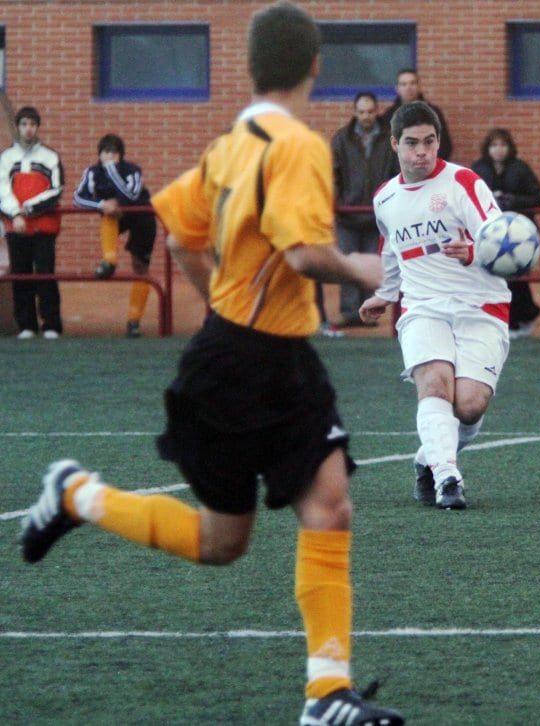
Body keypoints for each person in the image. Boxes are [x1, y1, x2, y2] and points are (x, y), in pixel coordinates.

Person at [20, 3, 403, 725]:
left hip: (270, 358)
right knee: (219, 542)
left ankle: (326, 693)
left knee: (330, 507)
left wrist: (222, 306)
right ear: (316, 67)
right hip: (240, 366)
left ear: (249, 66)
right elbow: (300, 254)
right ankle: (78, 496)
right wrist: (362, 267)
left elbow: (177, 239)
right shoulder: (294, 145)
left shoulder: (235, 142)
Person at [360, 101, 510, 511]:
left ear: (438, 141)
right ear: (395, 144)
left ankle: (428, 457)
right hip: (422, 306)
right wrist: (386, 294)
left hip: (481, 306)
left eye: (429, 142)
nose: (421, 152)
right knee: (434, 385)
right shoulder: (385, 199)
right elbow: (391, 250)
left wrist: (474, 251)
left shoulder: (464, 182)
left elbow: (503, 241)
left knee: (469, 405)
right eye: (411, 143)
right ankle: (447, 478)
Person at [73, 134, 157, 338]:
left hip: (142, 217)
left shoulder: (133, 170)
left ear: (121, 155)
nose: (110, 156)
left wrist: (112, 172)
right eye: (105, 152)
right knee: (107, 215)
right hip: (114, 216)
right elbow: (78, 198)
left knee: (141, 268)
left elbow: (132, 196)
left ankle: (134, 321)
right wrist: (102, 204)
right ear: (99, 154)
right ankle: (109, 261)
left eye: (114, 153)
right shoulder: (92, 172)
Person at [471, 128, 540, 339]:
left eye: (503, 145)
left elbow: (539, 196)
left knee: (516, 279)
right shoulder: (478, 168)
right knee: (493, 279)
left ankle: (522, 317)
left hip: (519, 236)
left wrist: (513, 200)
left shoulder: (520, 168)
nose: (499, 150)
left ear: (510, 147)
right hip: (489, 235)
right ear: (487, 148)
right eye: (494, 145)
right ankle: (503, 319)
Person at [0, 106, 64, 339]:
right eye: (24, 124)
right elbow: (2, 190)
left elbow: (56, 190)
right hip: (15, 228)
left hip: (44, 227)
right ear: (18, 127)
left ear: (38, 127)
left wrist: (27, 209)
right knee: (21, 275)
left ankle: (51, 325)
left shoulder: (50, 157)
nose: (28, 129)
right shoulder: (6, 158)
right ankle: (26, 325)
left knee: (46, 274)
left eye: (33, 124)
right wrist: (15, 214)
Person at [331, 91, 393, 327]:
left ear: (377, 110)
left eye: (370, 111)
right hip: (347, 213)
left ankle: (368, 314)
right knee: (347, 264)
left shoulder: (389, 139)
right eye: (361, 112)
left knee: (371, 264)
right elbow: (332, 174)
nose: (366, 116)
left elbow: (395, 173)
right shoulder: (341, 139)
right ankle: (349, 313)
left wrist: (388, 202)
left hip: (377, 214)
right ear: (355, 113)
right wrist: (338, 201)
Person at [378, 68, 453, 179]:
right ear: (397, 89)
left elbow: (445, 145)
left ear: (419, 86)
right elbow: (384, 150)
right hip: (398, 176)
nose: (409, 87)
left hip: (429, 175)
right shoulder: (388, 117)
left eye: (412, 83)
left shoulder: (433, 113)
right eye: (404, 84)